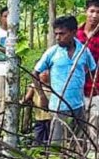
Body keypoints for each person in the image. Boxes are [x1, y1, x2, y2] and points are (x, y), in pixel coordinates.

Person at [33, 15, 97, 144]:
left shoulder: (83, 51)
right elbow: (35, 73)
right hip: (58, 106)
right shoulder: (53, 52)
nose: (57, 37)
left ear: (73, 32)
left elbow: (93, 70)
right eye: (56, 34)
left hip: (79, 105)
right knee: (57, 143)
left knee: (79, 142)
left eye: (62, 34)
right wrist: (43, 96)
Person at [77, 0, 99, 141]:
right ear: (86, 11)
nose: (95, 15)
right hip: (75, 88)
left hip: (96, 88)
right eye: (92, 11)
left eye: (98, 12)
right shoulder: (75, 35)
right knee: (77, 128)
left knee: (94, 125)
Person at [21, 71, 52, 144]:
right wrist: (22, 102)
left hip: (51, 117)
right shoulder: (34, 86)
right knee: (38, 136)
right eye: (41, 71)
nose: (44, 73)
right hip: (39, 117)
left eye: (46, 70)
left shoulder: (53, 85)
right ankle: (37, 151)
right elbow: (26, 99)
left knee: (50, 137)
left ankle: (48, 152)